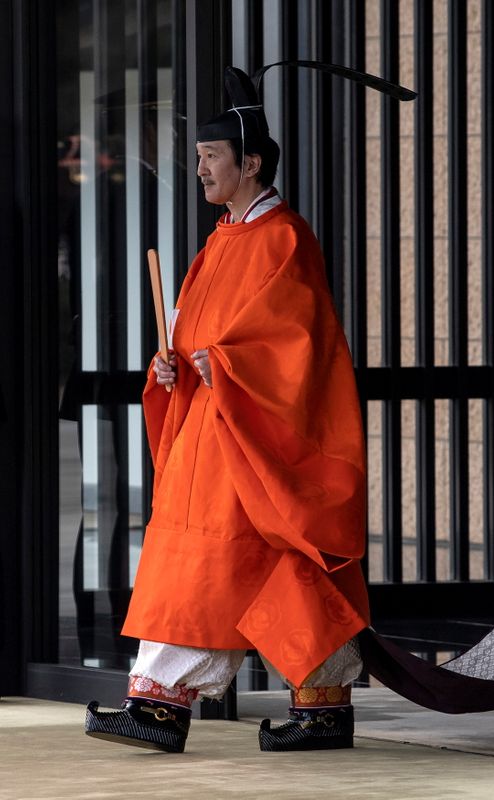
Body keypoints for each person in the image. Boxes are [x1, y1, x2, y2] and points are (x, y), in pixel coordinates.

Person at [85, 66, 370, 753]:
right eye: (199, 160)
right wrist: (171, 367)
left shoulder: (283, 239)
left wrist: (232, 364)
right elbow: (192, 332)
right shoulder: (221, 240)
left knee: (209, 557)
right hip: (214, 424)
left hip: (250, 426)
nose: (200, 172)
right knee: (273, 560)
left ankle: (158, 704)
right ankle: (321, 704)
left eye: (211, 159)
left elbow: (299, 341)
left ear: (250, 163)